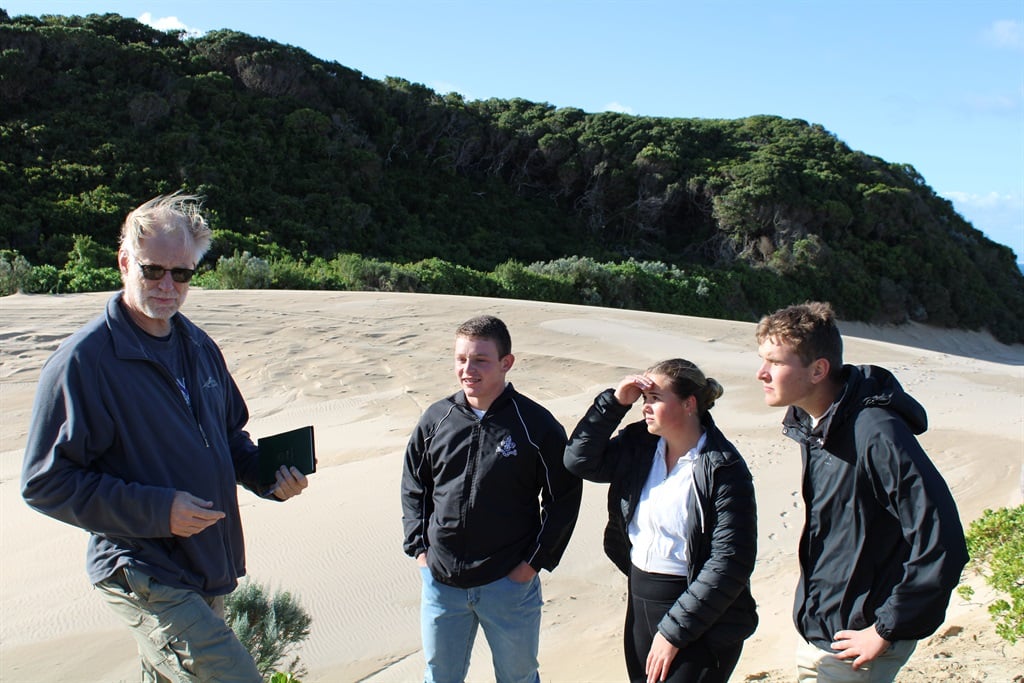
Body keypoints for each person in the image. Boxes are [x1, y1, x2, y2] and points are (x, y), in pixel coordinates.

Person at [21, 193, 310, 682]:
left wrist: (268, 476)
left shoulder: (198, 346)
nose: (168, 286)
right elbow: (46, 482)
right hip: (142, 567)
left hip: (205, 563)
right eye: (153, 270)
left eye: (183, 274)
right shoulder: (85, 363)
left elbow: (227, 438)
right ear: (124, 262)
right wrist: (160, 510)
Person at [754, 301, 968, 682]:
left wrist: (887, 627)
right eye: (762, 360)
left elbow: (943, 537)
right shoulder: (816, 426)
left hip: (861, 637)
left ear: (819, 369)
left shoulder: (875, 431)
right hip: (825, 630)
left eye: (775, 362)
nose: (761, 374)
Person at [401, 314, 583, 683]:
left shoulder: (536, 424)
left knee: (518, 677)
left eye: (480, 360)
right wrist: (419, 549)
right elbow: (414, 486)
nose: (468, 369)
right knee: (439, 676)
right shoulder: (436, 418)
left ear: (506, 363)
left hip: (507, 584)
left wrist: (531, 564)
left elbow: (563, 498)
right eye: (461, 359)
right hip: (442, 582)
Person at [564, 358, 758, 683]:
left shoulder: (723, 469)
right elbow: (578, 460)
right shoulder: (640, 447)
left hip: (700, 614)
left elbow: (730, 562)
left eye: (655, 398)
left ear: (688, 404)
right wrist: (613, 402)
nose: (645, 407)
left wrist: (673, 632)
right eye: (644, 399)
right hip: (641, 601)